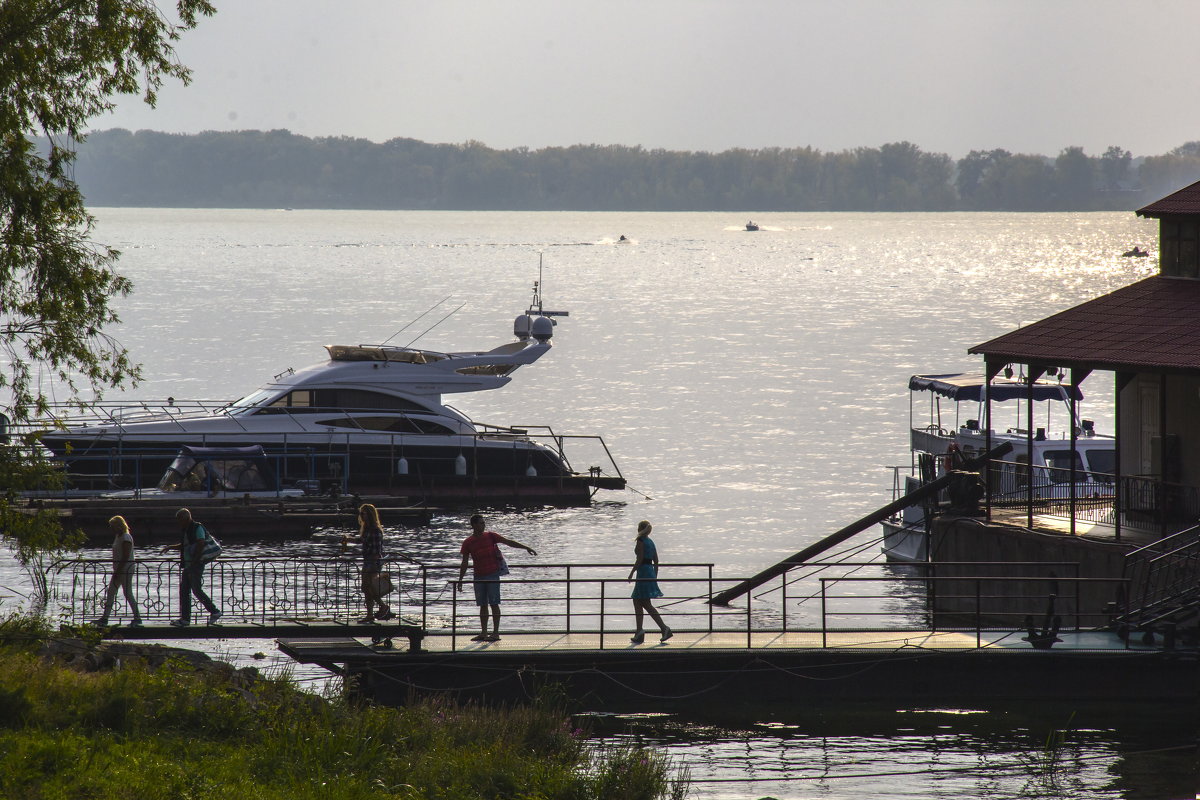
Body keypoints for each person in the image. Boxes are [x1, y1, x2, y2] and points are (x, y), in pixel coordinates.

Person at [456, 513, 537, 642]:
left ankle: (495, 633)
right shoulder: (468, 542)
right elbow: (464, 562)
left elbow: (508, 542)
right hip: (478, 576)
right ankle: (483, 633)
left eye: (484, 523)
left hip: (492, 574)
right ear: (474, 525)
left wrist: (526, 547)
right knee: (482, 604)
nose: (483, 525)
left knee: (494, 603)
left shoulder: (491, 536)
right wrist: (460, 580)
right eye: (481, 523)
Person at [163, 508, 222, 626]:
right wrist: (170, 547)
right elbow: (185, 545)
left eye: (180, 520)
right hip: (188, 564)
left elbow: (201, 543)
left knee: (196, 590)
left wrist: (195, 561)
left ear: (185, 519)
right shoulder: (187, 530)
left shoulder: (197, 527)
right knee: (185, 590)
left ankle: (214, 611)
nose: (179, 523)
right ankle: (185, 619)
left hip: (195, 564)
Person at [341, 503, 394, 623]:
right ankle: (371, 613)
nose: (361, 516)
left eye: (363, 513)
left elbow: (375, 550)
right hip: (368, 561)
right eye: (360, 514)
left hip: (373, 562)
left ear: (369, 514)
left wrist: (373, 565)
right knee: (367, 588)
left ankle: (382, 606)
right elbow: (362, 540)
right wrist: (349, 539)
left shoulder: (375, 530)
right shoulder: (368, 529)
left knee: (368, 587)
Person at [92, 515, 142, 627]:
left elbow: (125, 556)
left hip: (125, 569)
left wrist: (118, 571)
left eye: (113, 526)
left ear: (118, 525)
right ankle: (105, 618)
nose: (111, 528)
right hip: (119, 569)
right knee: (111, 592)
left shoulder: (126, 537)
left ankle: (137, 617)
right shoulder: (118, 536)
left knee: (127, 593)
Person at [628, 520, 671, 644]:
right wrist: (654, 575)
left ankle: (664, 628)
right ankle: (639, 631)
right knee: (637, 600)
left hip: (642, 572)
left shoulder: (641, 541)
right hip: (649, 571)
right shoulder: (651, 542)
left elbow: (639, 559)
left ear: (639, 529)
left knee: (645, 602)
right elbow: (656, 560)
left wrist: (631, 573)